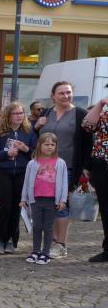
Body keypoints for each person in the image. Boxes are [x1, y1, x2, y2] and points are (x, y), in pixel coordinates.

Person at [37, 81, 89, 258]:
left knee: (61, 204)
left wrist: (85, 167)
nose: (65, 96)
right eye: (61, 93)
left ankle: (61, 244)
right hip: (44, 166)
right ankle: (51, 241)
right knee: (48, 205)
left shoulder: (80, 114)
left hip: (67, 167)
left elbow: (87, 142)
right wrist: (37, 126)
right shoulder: (46, 113)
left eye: (68, 92)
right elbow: (38, 138)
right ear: (53, 96)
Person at [0, 102, 37, 254]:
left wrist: (26, 149)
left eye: (21, 113)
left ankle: (11, 241)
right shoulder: (1, 133)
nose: (19, 116)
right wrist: (6, 153)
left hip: (22, 173)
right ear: (8, 115)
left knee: (16, 208)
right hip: (4, 173)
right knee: (5, 208)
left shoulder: (29, 132)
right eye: (15, 113)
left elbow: (37, 155)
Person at [20, 133, 68, 265]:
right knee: (36, 226)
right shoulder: (32, 163)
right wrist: (24, 198)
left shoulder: (60, 163)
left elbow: (64, 183)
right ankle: (36, 251)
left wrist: (62, 200)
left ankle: (45, 253)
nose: (49, 147)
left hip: (52, 200)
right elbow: (26, 182)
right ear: (39, 146)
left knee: (48, 227)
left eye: (52, 144)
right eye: (46, 144)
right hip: (35, 199)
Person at [81, 97, 108, 262]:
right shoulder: (103, 113)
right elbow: (87, 125)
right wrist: (101, 104)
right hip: (101, 164)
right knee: (105, 207)